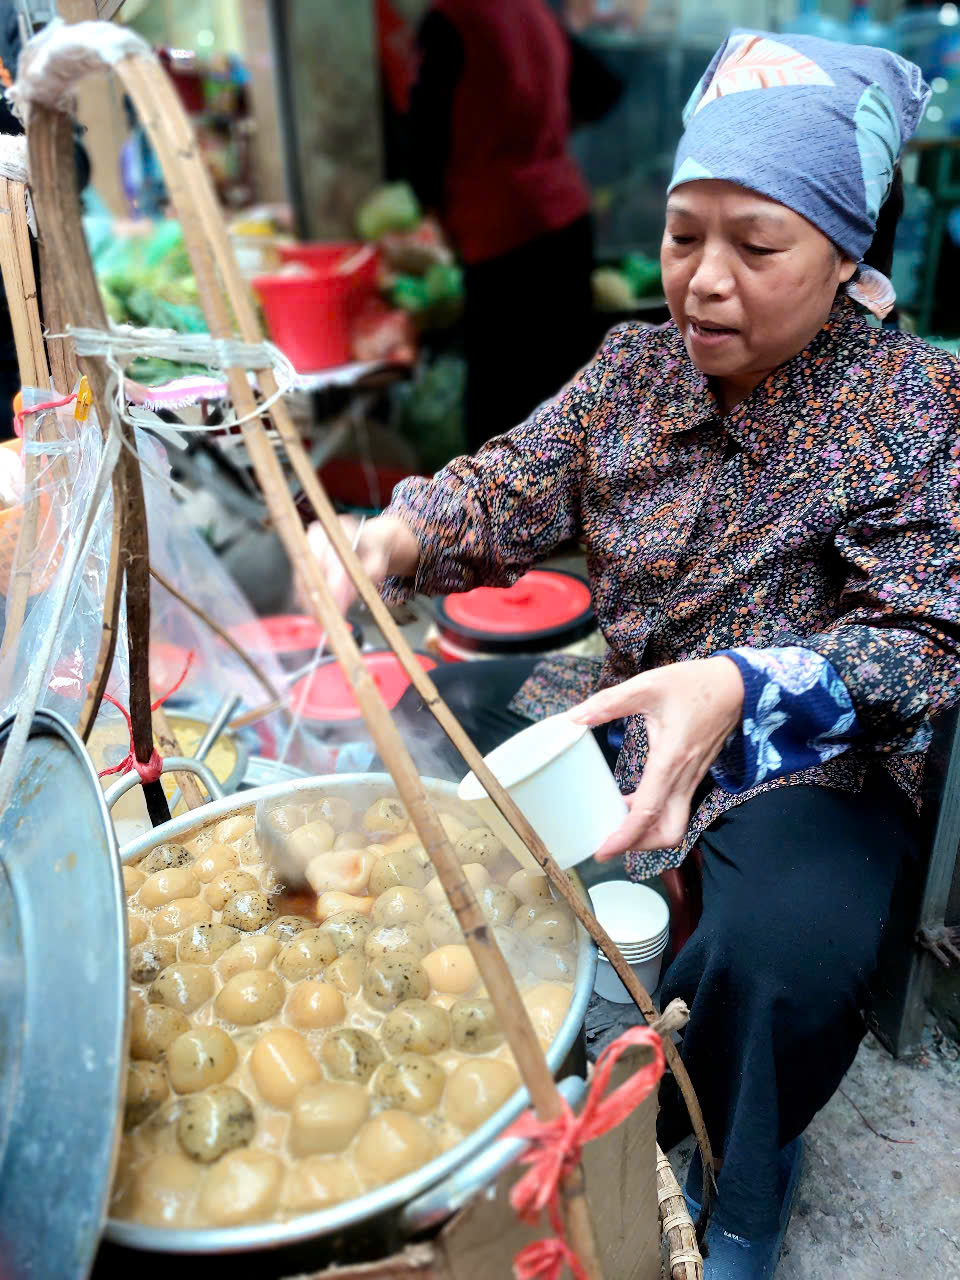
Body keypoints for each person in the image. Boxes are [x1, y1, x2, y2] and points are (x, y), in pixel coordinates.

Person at [307, 30, 959, 1278]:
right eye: (682, 235)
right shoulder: (631, 372)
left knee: (778, 953)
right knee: (431, 812)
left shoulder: (909, 408)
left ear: (843, 254)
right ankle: (515, 1100)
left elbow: (924, 643)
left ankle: (745, 1179)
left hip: (800, 747)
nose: (704, 281)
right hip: (619, 698)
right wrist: (387, 537)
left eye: (758, 245)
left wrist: (747, 684)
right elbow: (512, 480)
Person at [406, 0, 621, 451]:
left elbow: (424, 135)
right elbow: (603, 88)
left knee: (500, 412)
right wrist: (545, 135)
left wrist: (430, 204)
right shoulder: (536, 12)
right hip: (564, 217)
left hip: (500, 230)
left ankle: (494, 520)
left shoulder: (454, 19)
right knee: (566, 396)